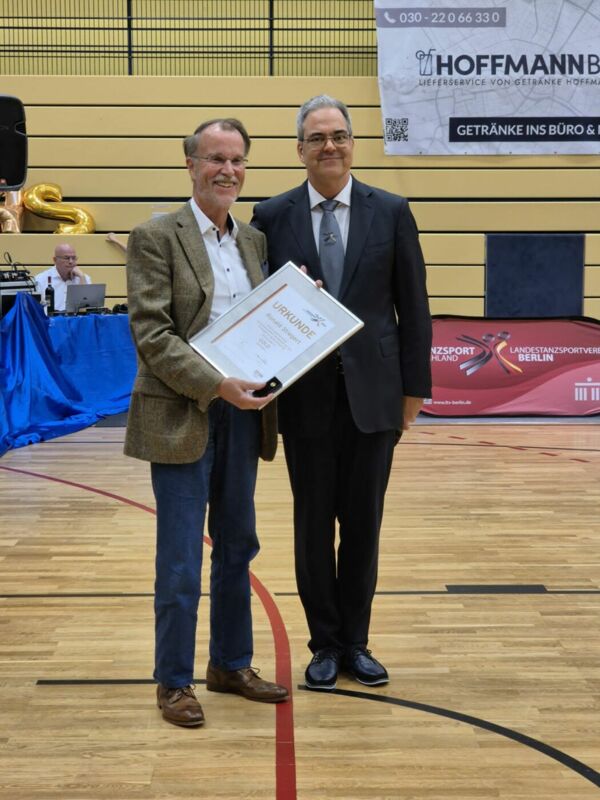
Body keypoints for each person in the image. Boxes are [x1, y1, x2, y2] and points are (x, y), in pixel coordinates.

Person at [251, 95, 432, 691]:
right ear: (299, 149)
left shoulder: (392, 211)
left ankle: (356, 641)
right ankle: (324, 644)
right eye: (316, 138)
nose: (328, 146)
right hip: (304, 399)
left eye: (338, 135)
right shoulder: (270, 216)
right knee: (312, 527)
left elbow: (414, 307)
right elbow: (257, 308)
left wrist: (414, 391)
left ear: (353, 143)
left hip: (374, 399)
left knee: (363, 526)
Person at [124, 118, 288, 728]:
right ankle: (173, 681)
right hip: (181, 412)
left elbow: (263, 323)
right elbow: (152, 334)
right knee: (180, 558)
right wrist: (216, 384)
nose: (228, 170)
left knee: (238, 545)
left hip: (243, 417)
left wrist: (299, 306)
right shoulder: (155, 236)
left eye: (238, 160)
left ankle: (230, 664)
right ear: (191, 165)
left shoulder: (254, 242)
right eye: (216, 158)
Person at [34, 244, 91, 311]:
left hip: (77, 318)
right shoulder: (40, 280)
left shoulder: (83, 278)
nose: (71, 262)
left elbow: (86, 307)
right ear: (55, 260)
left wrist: (82, 277)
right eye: (66, 258)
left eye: (74, 258)